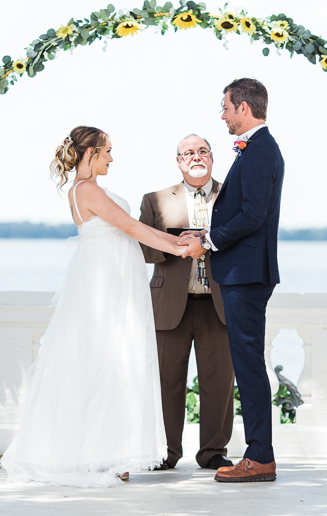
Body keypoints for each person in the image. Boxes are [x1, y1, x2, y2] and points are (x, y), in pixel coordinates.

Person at [2, 126, 190, 487]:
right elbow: (133, 228)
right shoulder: (86, 190)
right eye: (106, 152)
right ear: (89, 153)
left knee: (112, 362)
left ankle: (108, 449)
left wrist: (181, 239)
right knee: (108, 361)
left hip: (111, 277)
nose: (111, 158)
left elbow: (134, 229)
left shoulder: (85, 189)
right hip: (106, 284)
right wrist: (182, 248)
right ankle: (102, 454)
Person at [179, 78, 284, 483]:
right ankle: (258, 453)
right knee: (248, 363)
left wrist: (207, 241)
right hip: (243, 273)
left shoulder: (260, 152)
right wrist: (202, 236)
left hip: (246, 275)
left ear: (243, 107)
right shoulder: (257, 149)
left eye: (225, 107)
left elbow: (252, 215)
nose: (222, 115)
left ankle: (259, 457)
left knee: (249, 366)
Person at [138, 134, 234, 471]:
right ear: (179, 161)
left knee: (219, 382)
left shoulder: (234, 196)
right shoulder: (155, 200)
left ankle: (213, 452)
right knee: (166, 382)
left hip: (220, 302)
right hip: (169, 303)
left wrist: (210, 243)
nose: (196, 156)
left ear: (212, 157)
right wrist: (181, 243)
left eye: (202, 151)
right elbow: (145, 249)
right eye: (188, 153)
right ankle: (165, 451)